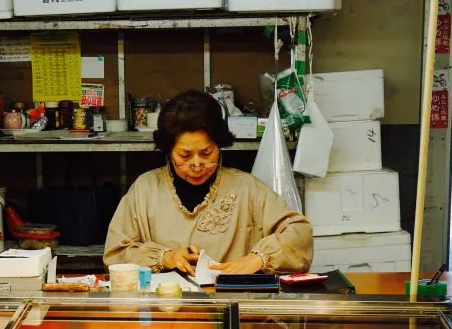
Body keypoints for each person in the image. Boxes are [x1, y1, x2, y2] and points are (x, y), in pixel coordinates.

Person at [103, 90, 313, 275]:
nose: (196, 165)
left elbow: (299, 234)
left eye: (206, 153)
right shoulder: (145, 190)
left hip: (231, 306)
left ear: (220, 145)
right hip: (165, 310)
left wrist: (257, 259)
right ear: (168, 150)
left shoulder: (246, 188)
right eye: (185, 156)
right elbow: (116, 254)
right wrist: (165, 258)